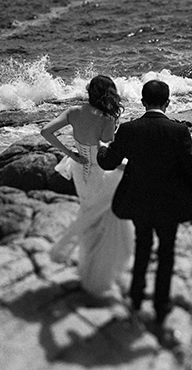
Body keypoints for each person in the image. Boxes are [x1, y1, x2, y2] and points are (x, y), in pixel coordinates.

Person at [97, 79, 192, 331]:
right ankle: (160, 305)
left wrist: (100, 149)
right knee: (166, 252)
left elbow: (109, 163)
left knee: (142, 246)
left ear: (143, 102)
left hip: (139, 201)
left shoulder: (129, 129)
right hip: (169, 204)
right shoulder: (178, 131)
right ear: (167, 103)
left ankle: (136, 298)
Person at [40, 75, 134, 299]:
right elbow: (107, 150)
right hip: (99, 171)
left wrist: (70, 153)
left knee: (89, 211)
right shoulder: (107, 117)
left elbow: (45, 131)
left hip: (79, 169)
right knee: (99, 215)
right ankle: (95, 269)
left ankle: (86, 266)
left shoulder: (73, 111)